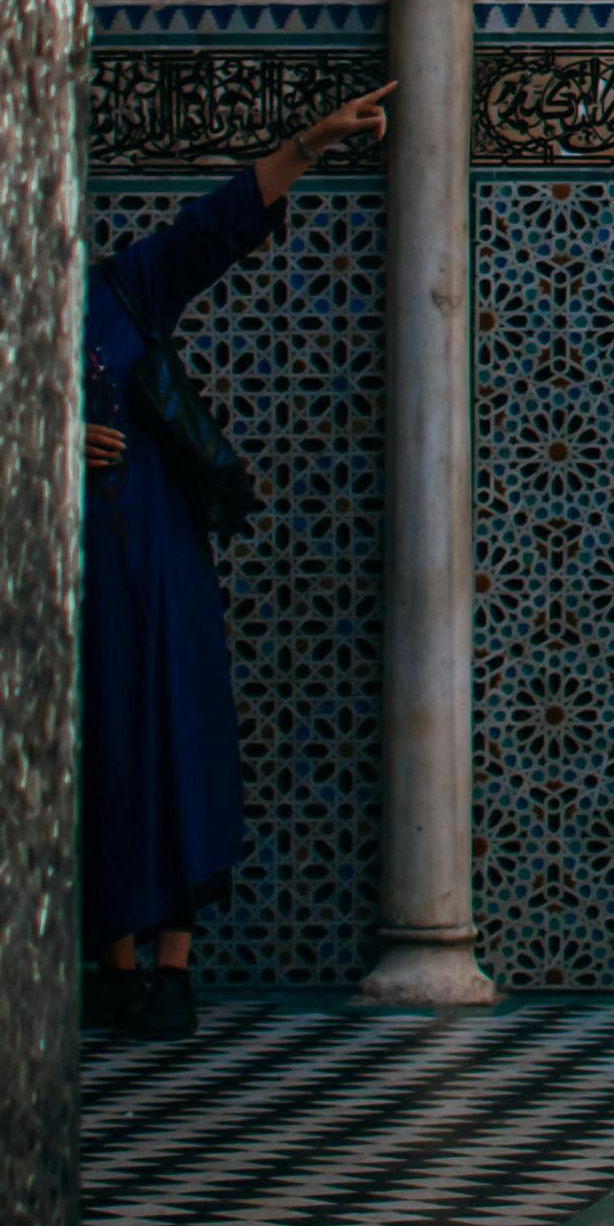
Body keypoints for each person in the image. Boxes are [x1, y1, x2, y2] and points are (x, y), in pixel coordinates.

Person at [82, 83, 389, 1039]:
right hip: (79, 572)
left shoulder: (124, 287)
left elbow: (214, 228)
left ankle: (172, 966)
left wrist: (310, 141)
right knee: (100, 747)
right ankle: (115, 964)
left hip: (161, 558)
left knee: (176, 738)